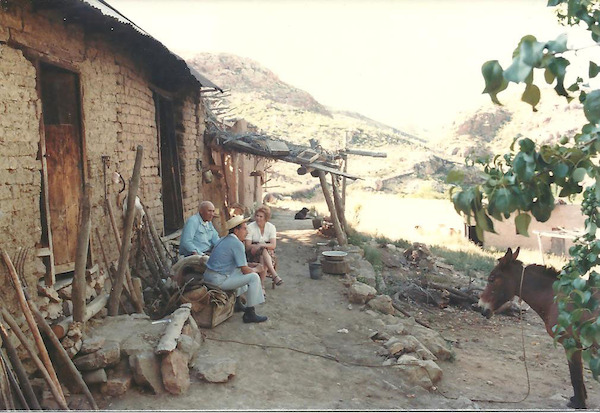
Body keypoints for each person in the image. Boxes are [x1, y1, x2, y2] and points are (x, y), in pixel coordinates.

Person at [203, 215, 268, 323]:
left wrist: (251, 265)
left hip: (208, 277)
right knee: (253, 277)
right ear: (236, 230)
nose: (246, 232)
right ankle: (249, 313)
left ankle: (237, 303)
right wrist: (257, 269)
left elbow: (238, 266)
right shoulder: (237, 244)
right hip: (218, 281)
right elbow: (245, 270)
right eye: (244, 229)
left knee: (239, 272)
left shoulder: (223, 239)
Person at [245, 206, 283, 287]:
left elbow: (273, 245)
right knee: (264, 252)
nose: (258, 218)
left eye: (261, 216)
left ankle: (261, 285)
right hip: (252, 253)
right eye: (257, 216)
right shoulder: (250, 227)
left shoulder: (271, 227)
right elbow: (247, 246)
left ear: (266, 218)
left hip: (268, 254)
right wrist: (256, 246)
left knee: (263, 255)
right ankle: (274, 275)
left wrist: (260, 245)